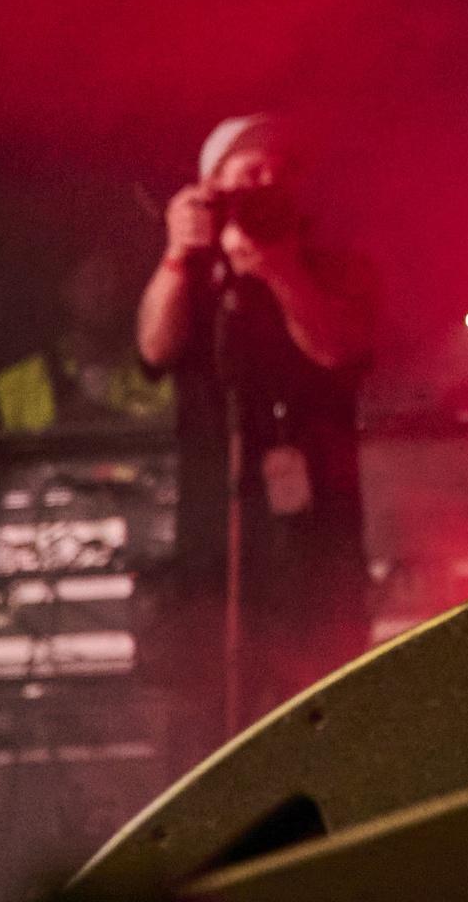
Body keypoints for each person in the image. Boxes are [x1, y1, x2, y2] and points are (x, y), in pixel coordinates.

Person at [135, 113, 376, 723]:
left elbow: (337, 349)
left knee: (327, 705)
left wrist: (279, 267)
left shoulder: (330, 263)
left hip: (321, 537)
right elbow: (154, 350)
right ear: (210, 186)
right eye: (251, 171)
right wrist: (176, 254)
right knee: (211, 715)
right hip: (216, 538)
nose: (269, 181)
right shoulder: (194, 271)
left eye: (281, 172)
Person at [0, 244, 174, 433]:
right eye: (96, 278)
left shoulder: (154, 372)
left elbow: (168, 437)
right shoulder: (17, 384)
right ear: (65, 289)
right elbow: (10, 455)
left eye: (114, 278)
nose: (108, 289)